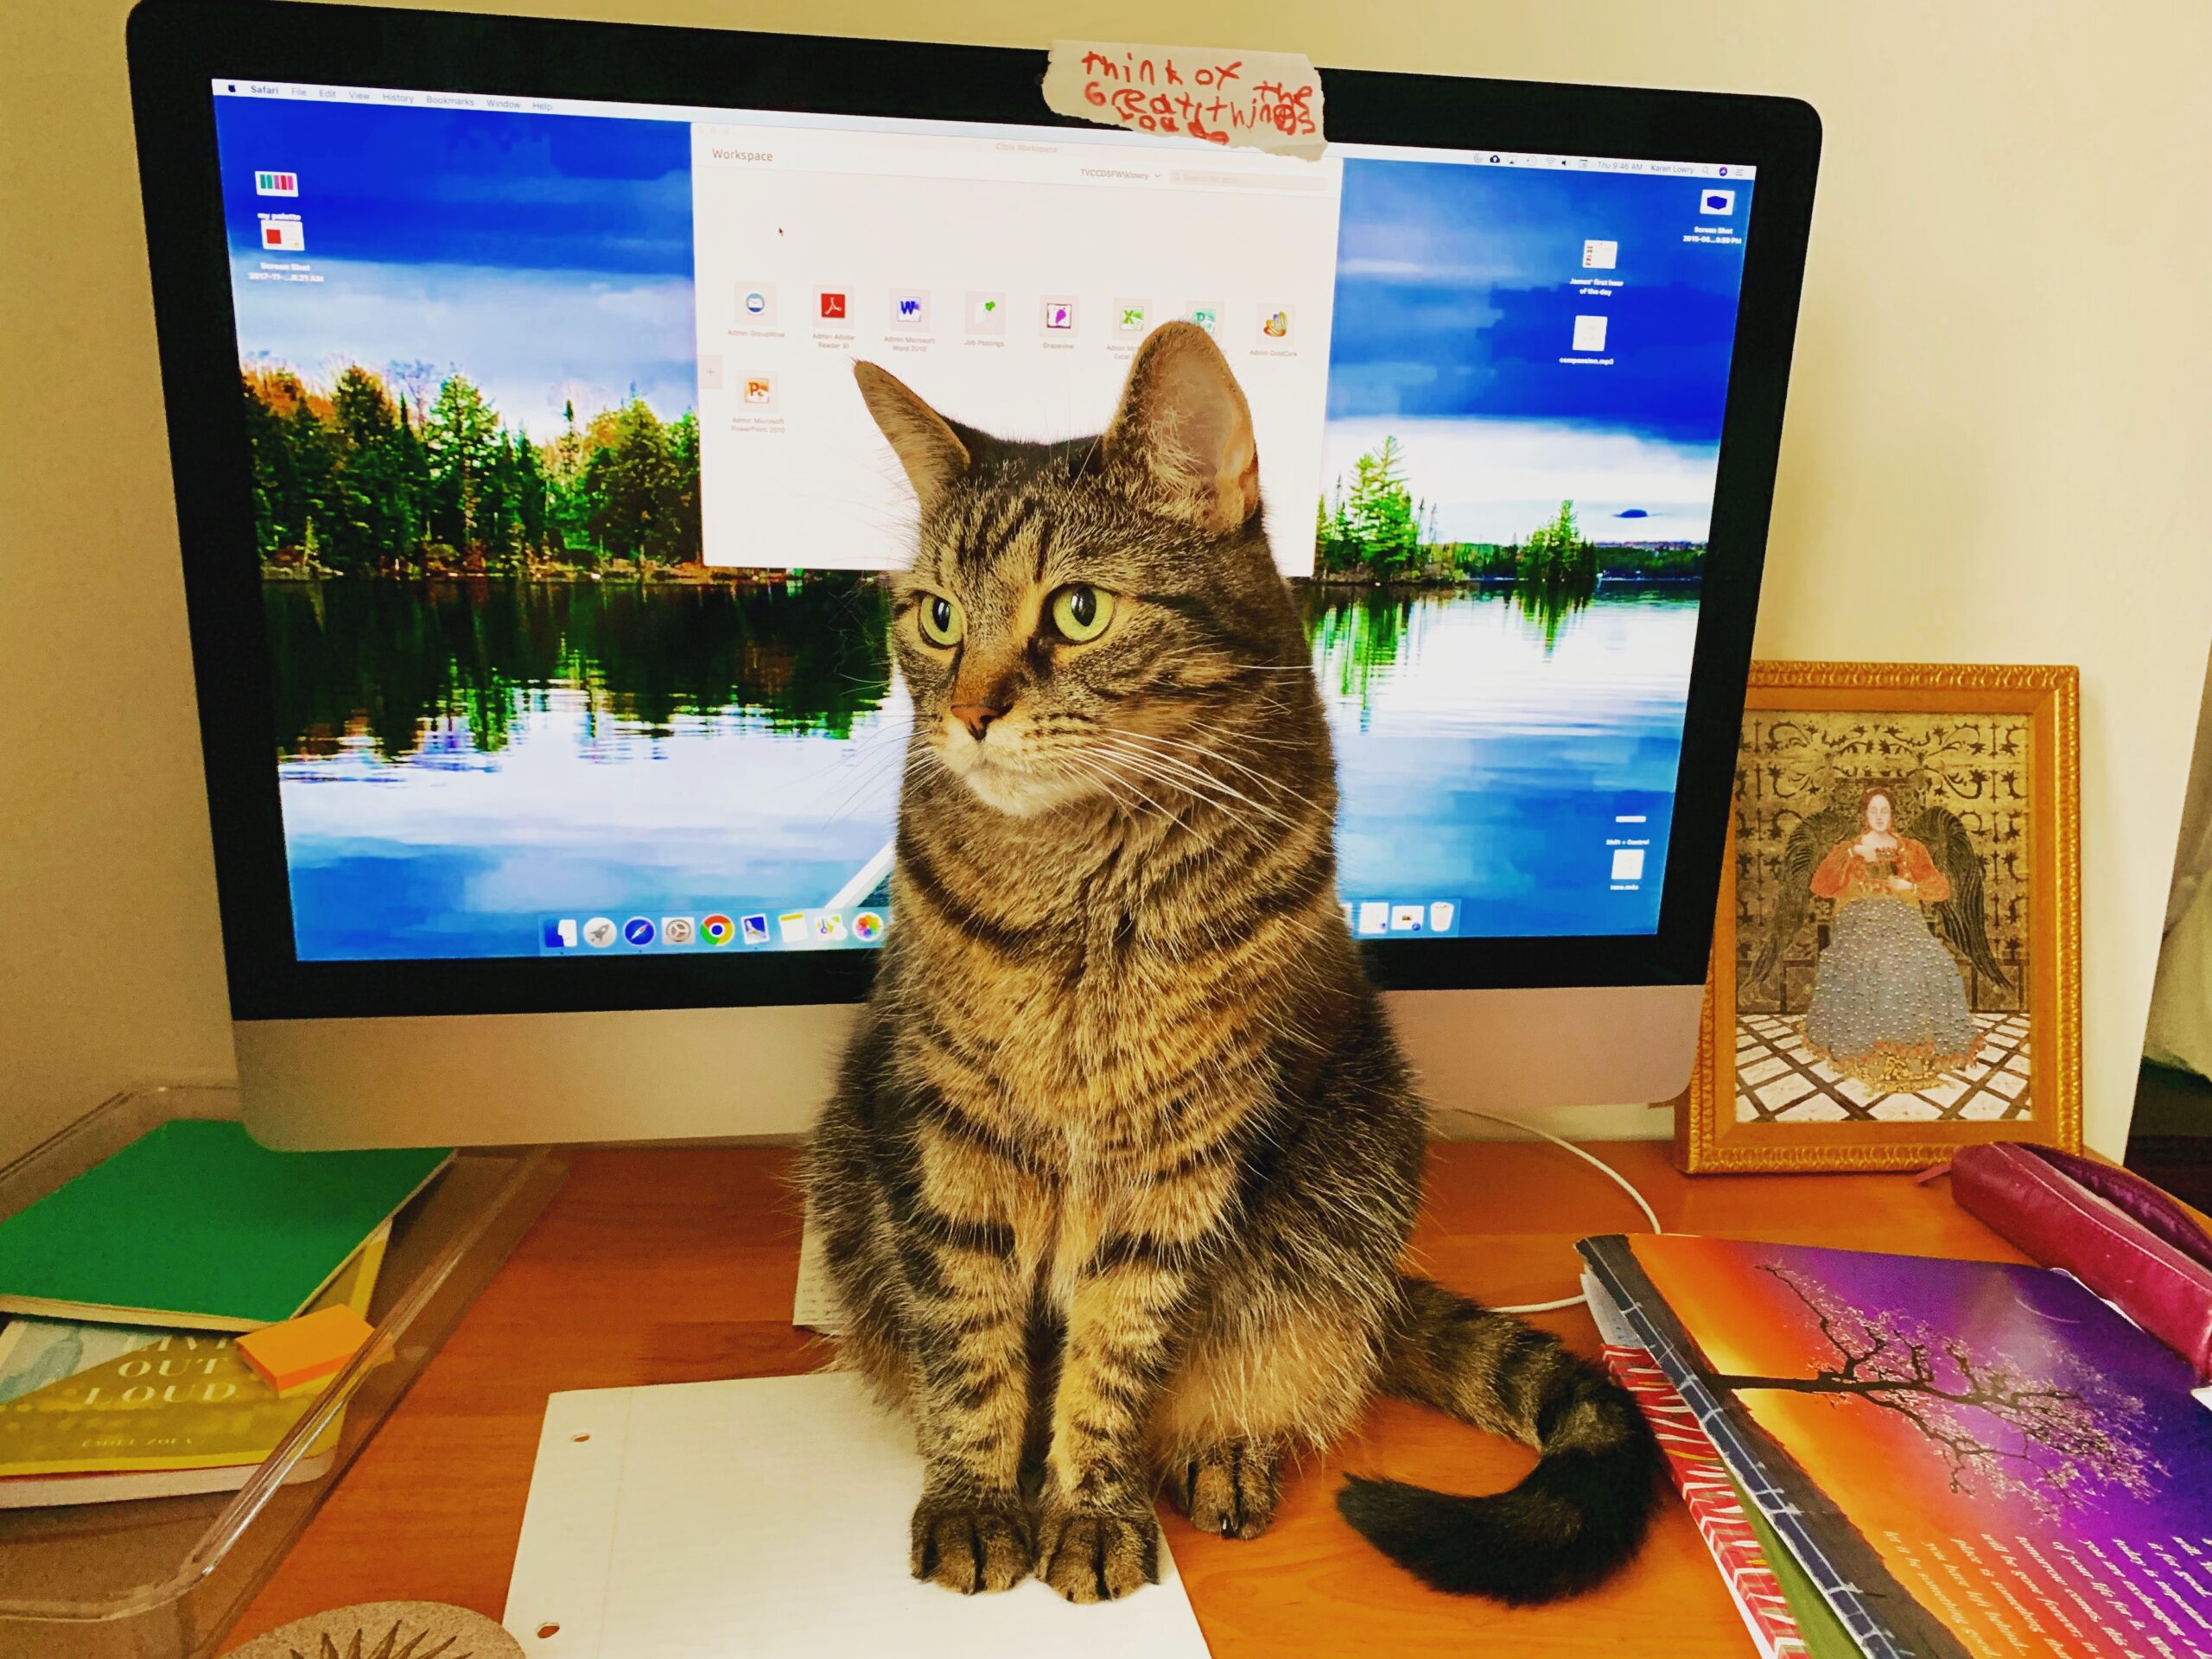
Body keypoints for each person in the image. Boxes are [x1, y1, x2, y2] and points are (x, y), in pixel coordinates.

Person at [1802, 787, 1980, 1090]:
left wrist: (1909, 887)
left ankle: (1916, 1050)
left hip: (1902, 916)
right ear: (1865, 814)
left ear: (1893, 814)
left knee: (1932, 961)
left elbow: (1940, 888)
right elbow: (1820, 886)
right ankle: (1869, 1050)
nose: (1880, 817)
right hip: (1858, 917)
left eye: (1885, 811)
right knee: (1875, 962)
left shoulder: (1911, 848)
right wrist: (1850, 856)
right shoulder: (1849, 848)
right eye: (1874, 811)